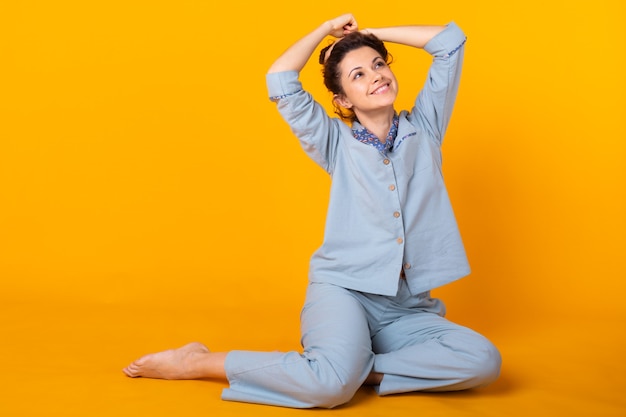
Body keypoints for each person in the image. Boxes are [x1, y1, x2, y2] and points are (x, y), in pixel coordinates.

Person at [123, 13, 501, 409]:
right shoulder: (334, 142)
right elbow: (281, 78)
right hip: (344, 293)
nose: (374, 75)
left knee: (483, 360)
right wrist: (324, 32)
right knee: (328, 389)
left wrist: (369, 36)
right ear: (341, 100)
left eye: (378, 64)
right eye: (357, 76)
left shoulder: (426, 127)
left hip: (406, 309)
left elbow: (450, 41)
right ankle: (197, 361)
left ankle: (352, 368)